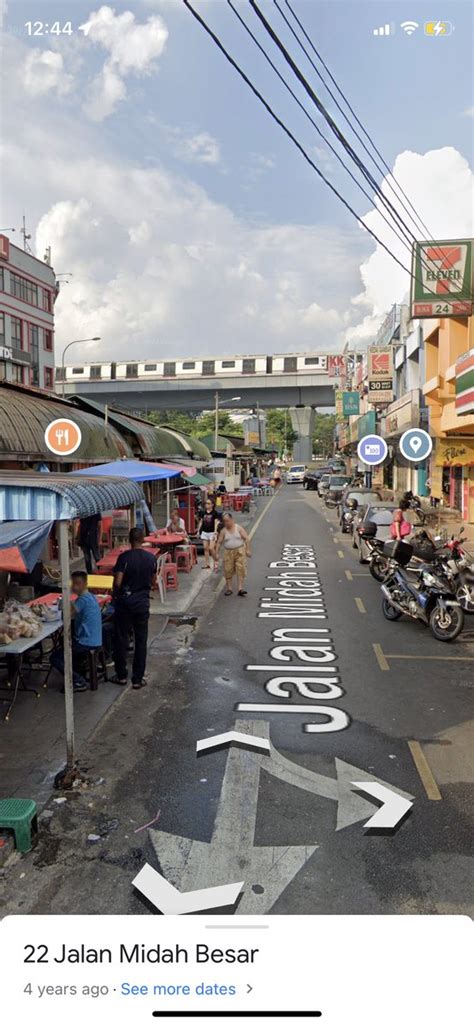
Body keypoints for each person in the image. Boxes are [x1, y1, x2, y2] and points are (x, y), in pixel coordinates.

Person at [112, 528, 157, 689]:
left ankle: (121, 675)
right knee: (141, 640)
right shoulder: (151, 558)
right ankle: (137, 679)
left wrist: (116, 596)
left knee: (121, 638)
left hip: (125, 602)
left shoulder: (123, 558)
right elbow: (153, 581)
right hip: (142, 603)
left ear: (129, 540)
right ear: (143, 539)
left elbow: (118, 582)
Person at [51, 571, 102, 692]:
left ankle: (77, 680)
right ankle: (78, 673)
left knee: (55, 657)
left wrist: (65, 602)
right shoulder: (91, 597)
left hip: (86, 641)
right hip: (95, 638)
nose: (75, 587)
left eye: (78, 584)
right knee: (66, 644)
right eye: (73, 583)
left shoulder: (83, 600)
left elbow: (68, 615)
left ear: (85, 584)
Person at [215, 512, 251, 596]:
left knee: (240, 568)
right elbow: (219, 542)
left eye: (228, 521)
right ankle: (229, 588)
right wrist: (216, 553)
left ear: (232, 520)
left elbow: (246, 538)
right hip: (228, 552)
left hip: (239, 550)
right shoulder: (223, 531)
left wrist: (248, 549)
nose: (226, 523)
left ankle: (240, 589)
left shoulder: (238, 528)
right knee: (228, 570)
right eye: (225, 521)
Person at [198, 498, 222, 570]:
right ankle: (207, 564)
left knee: (211, 548)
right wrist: (198, 530)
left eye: (208, 503)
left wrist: (215, 532)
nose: (206, 505)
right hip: (205, 532)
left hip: (212, 532)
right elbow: (201, 521)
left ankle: (216, 561)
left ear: (212, 505)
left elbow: (216, 523)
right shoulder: (203, 513)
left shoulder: (215, 513)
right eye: (206, 503)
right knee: (205, 548)